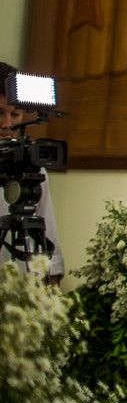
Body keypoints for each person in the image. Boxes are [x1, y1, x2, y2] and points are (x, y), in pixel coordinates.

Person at [0, 62, 64, 285]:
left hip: (19, 294)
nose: (7, 124)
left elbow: (48, 241)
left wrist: (51, 296)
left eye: (15, 114)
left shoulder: (32, 168)